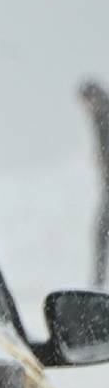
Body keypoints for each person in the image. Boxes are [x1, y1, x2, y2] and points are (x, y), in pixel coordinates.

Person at [79, 78, 109, 287]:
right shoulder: (99, 118)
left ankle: (96, 284)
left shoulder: (105, 117)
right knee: (100, 233)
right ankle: (96, 283)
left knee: (101, 233)